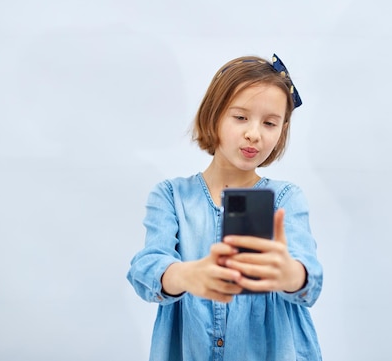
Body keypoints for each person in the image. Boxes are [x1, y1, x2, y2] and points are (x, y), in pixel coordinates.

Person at [127, 54, 323, 361]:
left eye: (270, 123)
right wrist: (186, 275)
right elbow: (146, 268)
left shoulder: (286, 197)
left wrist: (289, 274)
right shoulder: (171, 195)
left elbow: (309, 275)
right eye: (241, 117)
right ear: (214, 115)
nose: (254, 134)